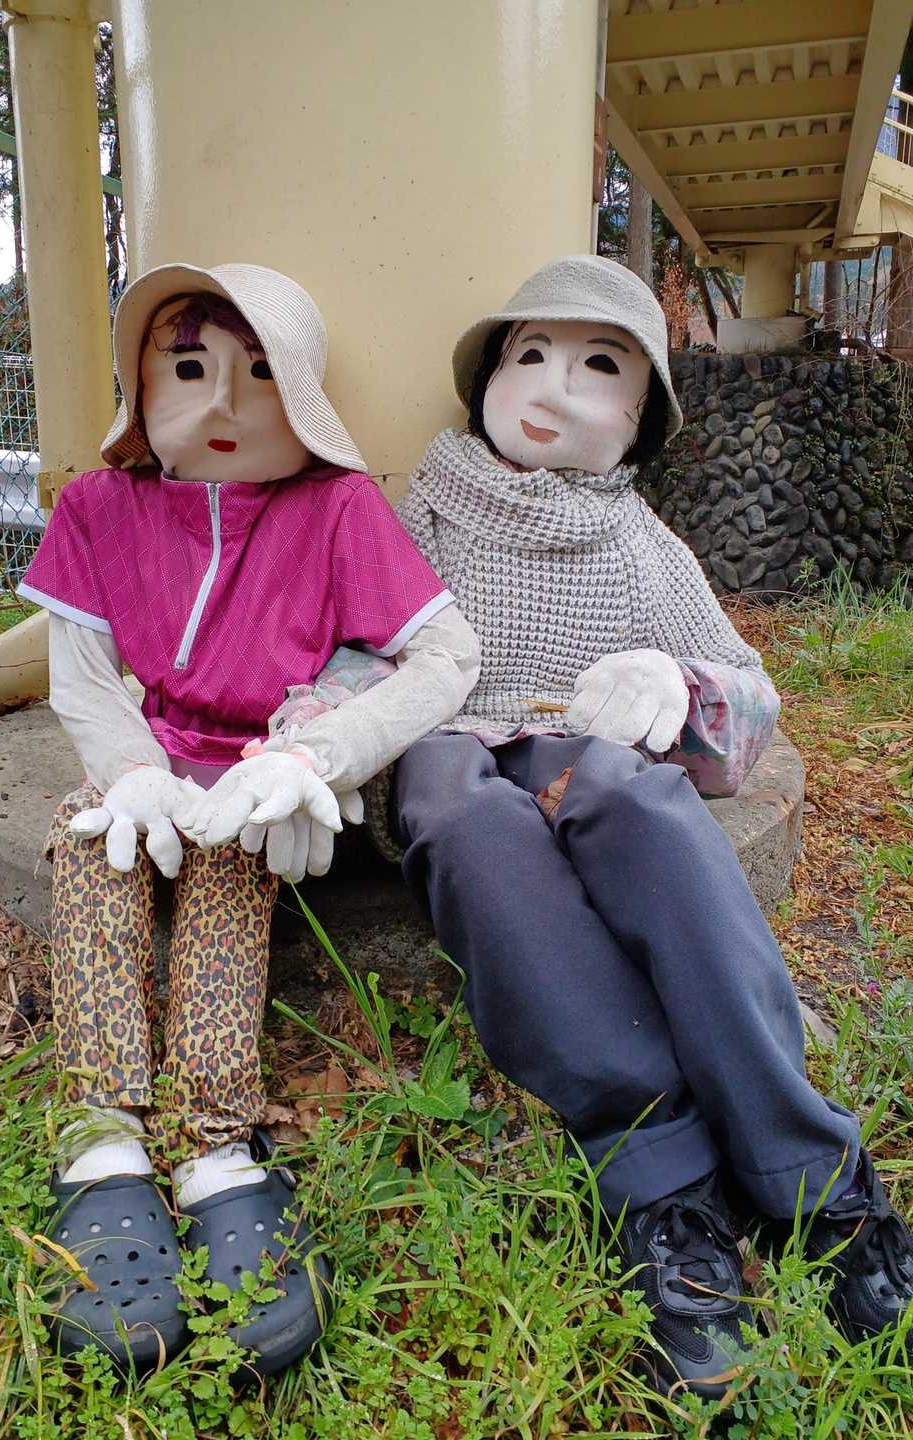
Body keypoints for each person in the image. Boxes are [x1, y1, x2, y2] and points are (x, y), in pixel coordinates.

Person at [353, 254, 913, 1401]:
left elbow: (746, 688)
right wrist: (318, 746)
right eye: (529, 355)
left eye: (598, 367)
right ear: (487, 377)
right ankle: (663, 1186)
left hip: (584, 737)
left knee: (644, 804)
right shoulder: (428, 506)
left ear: (641, 416)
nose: (553, 387)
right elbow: (367, 641)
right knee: (470, 829)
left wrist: (675, 683)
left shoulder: (640, 541)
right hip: (447, 736)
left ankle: (814, 1181)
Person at [17, 262, 479, 1375]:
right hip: (151, 756)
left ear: (303, 394)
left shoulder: (338, 509)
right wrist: (129, 771)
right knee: (90, 841)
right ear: (140, 385)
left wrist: (317, 756)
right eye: (188, 369)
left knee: (232, 867)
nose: (221, 403)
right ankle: (101, 1142)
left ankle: (217, 1145)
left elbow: (446, 655)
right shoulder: (99, 507)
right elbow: (80, 674)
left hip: (261, 770)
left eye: (261, 373)